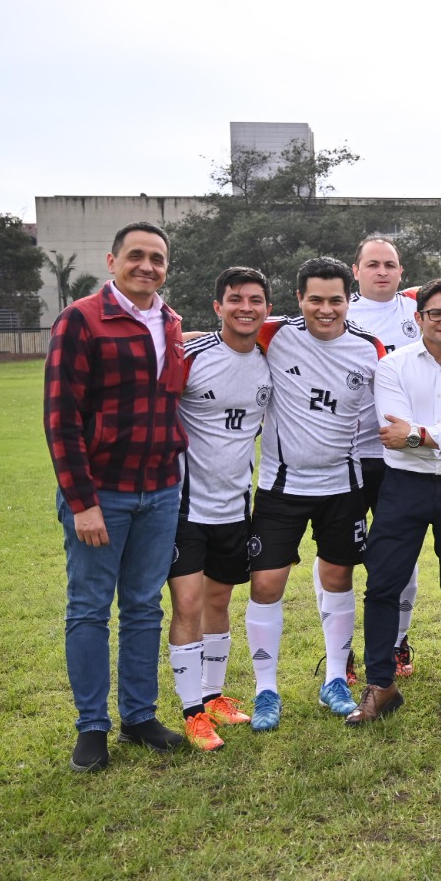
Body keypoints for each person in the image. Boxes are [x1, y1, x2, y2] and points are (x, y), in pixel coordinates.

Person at [46, 221, 190, 771]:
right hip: (101, 492)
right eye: (136, 256)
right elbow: (61, 419)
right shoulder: (81, 320)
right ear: (112, 261)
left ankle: (138, 716)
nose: (146, 266)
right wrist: (81, 502)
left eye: (157, 258)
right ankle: (91, 727)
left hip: (160, 489)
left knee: (143, 607)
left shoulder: (170, 322)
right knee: (88, 609)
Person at [345, 280, 441, 725]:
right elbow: (391, 436)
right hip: (404, 486)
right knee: (382, 585)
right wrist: (439, 437)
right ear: (419, 318)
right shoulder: (391, 366)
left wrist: (420, 434)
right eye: (436, 313)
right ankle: (380, 685)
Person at [246, 257, 386, 729]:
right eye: (315, 300)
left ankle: (334, 680)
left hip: (343, 486)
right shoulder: (273, 334)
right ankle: (266, 689)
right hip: (280, 486)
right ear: (299, 299)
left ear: (349, 301)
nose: (325, 310)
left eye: (335, 301)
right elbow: (224, 331)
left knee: (338, 578)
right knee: (266, 584)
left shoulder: (370, 349)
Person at [164, 267, 273, 751]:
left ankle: (213, 697)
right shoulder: (189, 353)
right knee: (186, 604)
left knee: (218, 602)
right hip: (185, 506)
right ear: (217, 307)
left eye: (255, 300)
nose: (245, 308)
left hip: (234, 506)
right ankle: (191, 713)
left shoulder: (273, 354)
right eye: (234, 299)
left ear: (268, 309)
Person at [346, 235, 423, 681]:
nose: (381, 271)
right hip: (351, 454)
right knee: (340, 557)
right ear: (355, 270)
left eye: (390, 264)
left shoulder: (416, 309)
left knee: (403, 553)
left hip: (402, 453)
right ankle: (344, 653)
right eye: (372, 264)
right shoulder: (338, 310)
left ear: (401, 271)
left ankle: (397, 642)